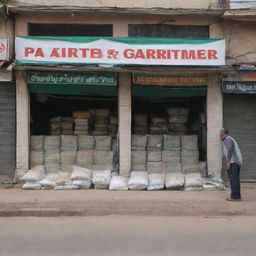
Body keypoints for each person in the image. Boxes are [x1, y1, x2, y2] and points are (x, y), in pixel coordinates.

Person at [220, 128, 243, 201]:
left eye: (221, 134)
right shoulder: (229, 139)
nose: (220, 136)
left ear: (224, 134)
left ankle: (234, 197)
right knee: (235, 179)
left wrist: (228, 161)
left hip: (233, 162)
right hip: (236, 162)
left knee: (233, 179)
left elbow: (230, 149)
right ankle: (237, 196)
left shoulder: (227, 139)